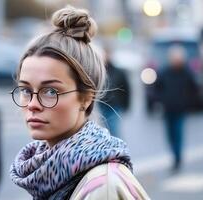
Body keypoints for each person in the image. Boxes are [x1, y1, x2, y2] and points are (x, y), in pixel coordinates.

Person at [9, 6, 149, 200]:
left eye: (50, 91)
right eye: (26, 90)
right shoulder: (48, 171)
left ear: (86, 97)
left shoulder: (103, 187)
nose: (32, 104)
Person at [154, 45, 199, 172]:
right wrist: (160, 100)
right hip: (168, 108)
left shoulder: (186, 72)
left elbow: (195, 89)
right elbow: (157, 88)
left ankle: (177, 157)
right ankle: (175, 154)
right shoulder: (164, 71)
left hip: (180, 108)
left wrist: (189, 102)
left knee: (178, 133)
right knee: (170, 134)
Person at [98, 57, 130, 138]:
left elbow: (126, 88)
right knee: (105, 129)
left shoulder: (119, 72)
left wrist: (126, 104)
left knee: (114, 129)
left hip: (115, 105)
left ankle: (116, 148)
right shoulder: (100, 71)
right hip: (103, 104)